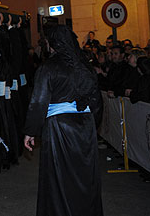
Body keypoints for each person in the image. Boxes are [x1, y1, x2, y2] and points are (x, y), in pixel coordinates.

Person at [23, 24, 103, 216]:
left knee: (59, 178)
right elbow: (97, 102)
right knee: (85, 177)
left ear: (52, 44)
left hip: (59, 127)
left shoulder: (48, 67)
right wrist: (92, 124)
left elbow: (39, 101)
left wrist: (30, 131)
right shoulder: (86, 67)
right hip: (85, 126)